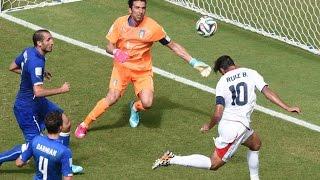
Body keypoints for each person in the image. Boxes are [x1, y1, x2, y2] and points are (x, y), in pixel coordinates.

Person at [74, 0, 212, 138]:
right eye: (137, 8)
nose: (140, 11)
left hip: (142, 71)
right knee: (112, 97)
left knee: (147, 103)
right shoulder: (119, 23)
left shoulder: (153, 27)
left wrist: (194, 62)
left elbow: (173, 45)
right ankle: (84, 124)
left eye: (143, 8)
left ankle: (134, 107)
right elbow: (108, 46)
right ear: (130, 9)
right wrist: (116, 52)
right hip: (121, 68)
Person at [152, 55, 301, 180]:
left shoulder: (222, 82)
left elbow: (218, 112)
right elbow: (267, 92)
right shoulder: (250, 72)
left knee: (255, 144)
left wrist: (208, 126)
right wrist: (287, 107)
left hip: (233, 125)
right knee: (213, 164)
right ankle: (172, 158)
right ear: (234, 64)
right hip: (235, 128)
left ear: (222, 70)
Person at [0, 29, 83, 173]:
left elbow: (12, 66)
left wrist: (35, 74)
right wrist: (61, 89)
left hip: (37, 103)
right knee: (34, 145)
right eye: (48, 40)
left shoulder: (29, 52)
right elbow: (38, 92)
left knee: (65, 122)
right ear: (39, 43)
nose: (52, 42)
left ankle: (62, 162)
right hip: (26, 108)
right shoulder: (36, 62)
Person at [16, 111, 73, 180]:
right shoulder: (64, 151)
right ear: (60, 128)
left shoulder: (35, 140)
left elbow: (19, 163)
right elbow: (68, 178)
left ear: (46, 126)